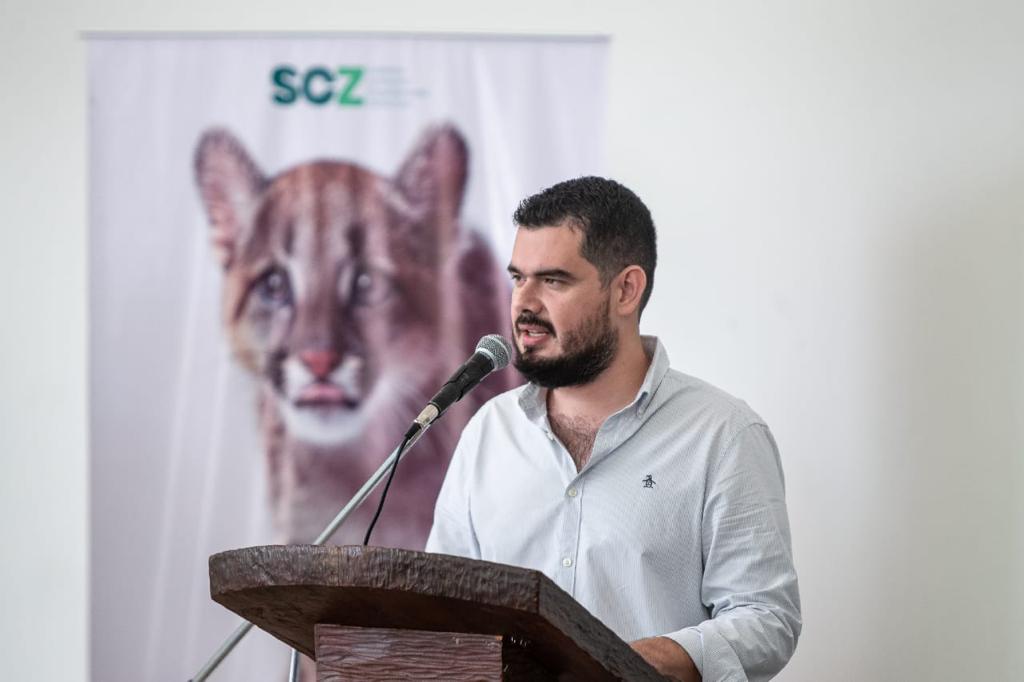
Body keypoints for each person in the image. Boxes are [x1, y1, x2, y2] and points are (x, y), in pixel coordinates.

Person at [425, 177, 801, 681]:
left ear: (626, 290)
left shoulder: (723, 435)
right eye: (518, 278)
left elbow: (766, 618)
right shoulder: (489, 431)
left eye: (553, 281)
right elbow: (442, 608)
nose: (524, 304)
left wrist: (651, 659)